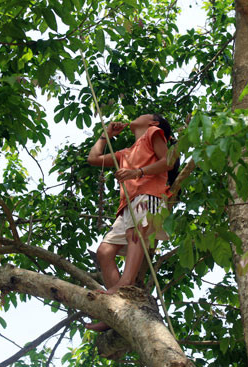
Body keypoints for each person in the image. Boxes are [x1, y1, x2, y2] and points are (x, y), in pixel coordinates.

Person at [85, 113, 177, 331]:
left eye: (143, 115)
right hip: (128, 204)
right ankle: (118, 305)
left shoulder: (153, 133)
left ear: (152, 122)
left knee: (135, 234)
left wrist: (137, 172)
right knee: (105, 252)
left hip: (149, 195)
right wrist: (105, 135)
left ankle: (123, 286)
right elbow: (93, 159)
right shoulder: (125, 153)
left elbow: (169, 161)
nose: (136, 116)